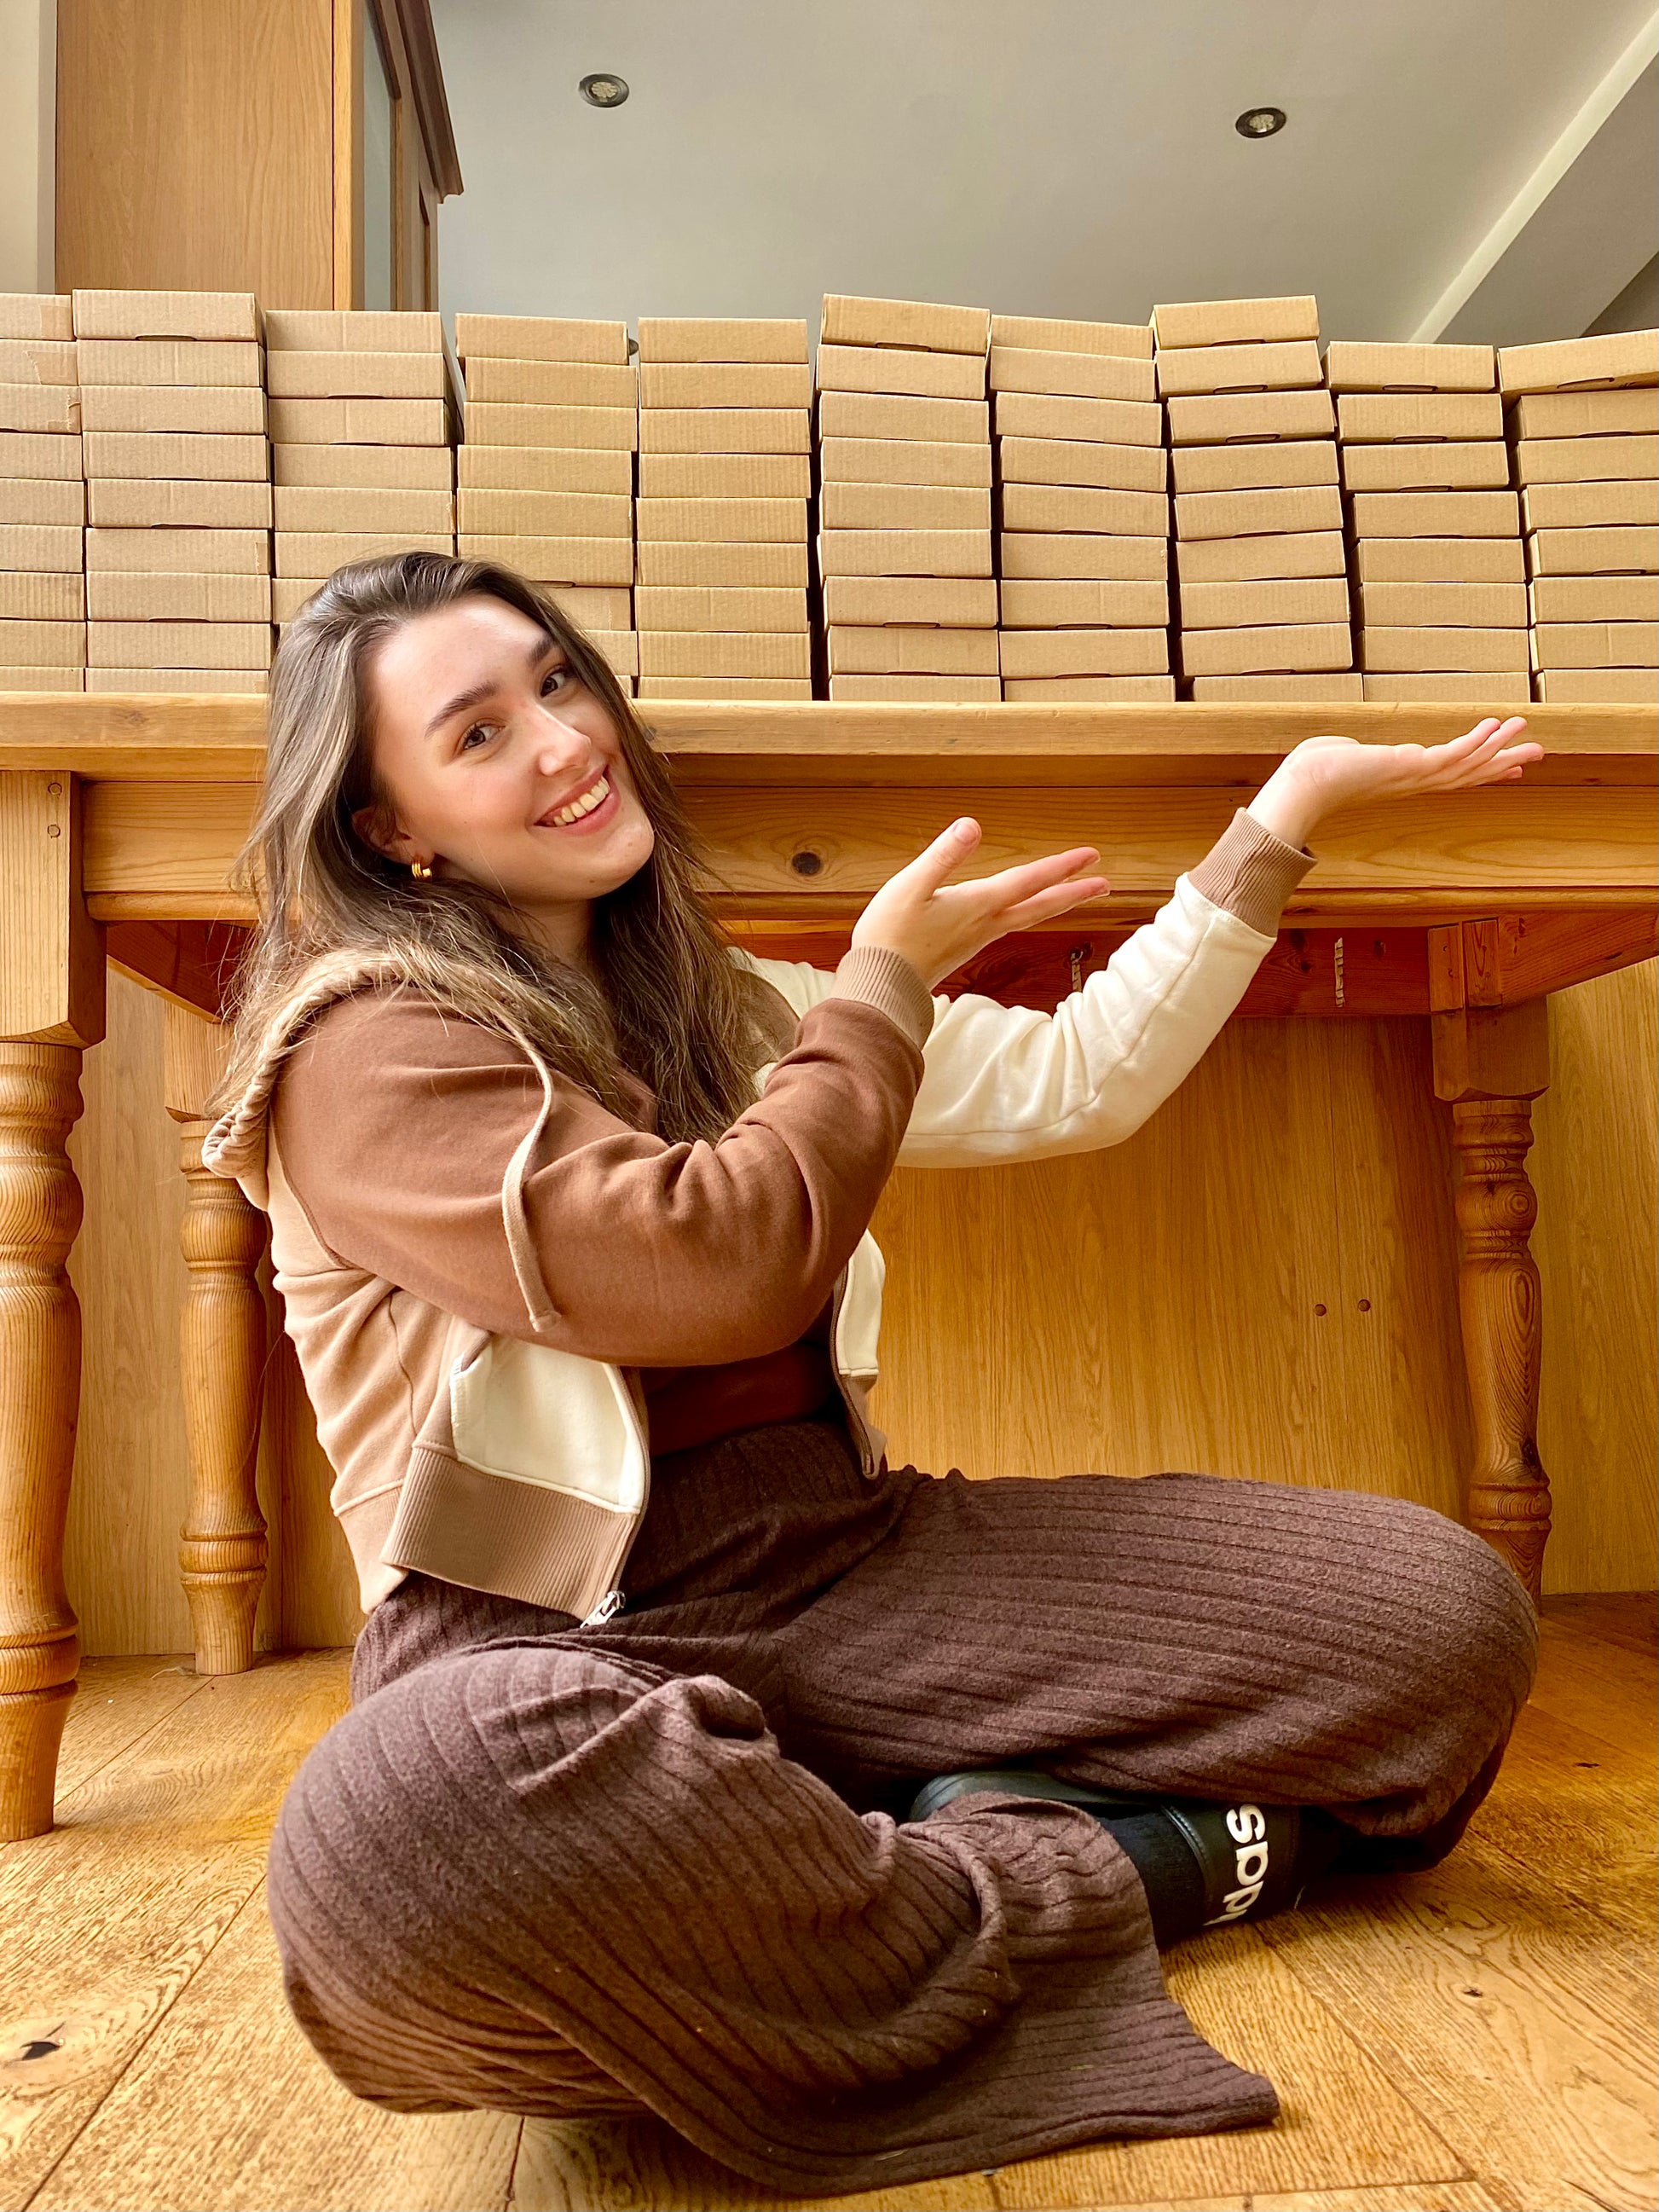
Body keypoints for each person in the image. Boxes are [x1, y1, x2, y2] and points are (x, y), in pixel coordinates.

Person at [203, 551, 1541, 2196]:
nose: (561, 739)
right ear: (388, 829)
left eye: (558, 682)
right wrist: (883, 988)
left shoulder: (730, 1010)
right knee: (404, 1826)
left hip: (852, 1559)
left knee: (1443, 1618)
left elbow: (1077, 1077)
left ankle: (840, 1884)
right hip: (545, 1642)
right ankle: (1116, 1864)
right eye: (477, 733)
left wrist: (1280, 817)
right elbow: (712, 1262)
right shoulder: (362, 1050)